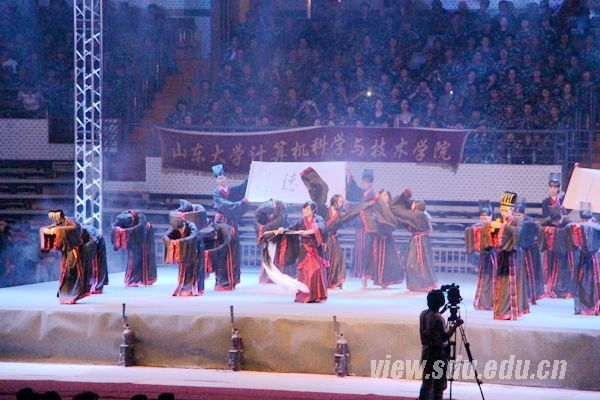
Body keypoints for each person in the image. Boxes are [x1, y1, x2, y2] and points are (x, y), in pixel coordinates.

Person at [377, 190, 438, 291]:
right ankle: (423, 284)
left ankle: (423, 284)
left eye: (412, 204)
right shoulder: (422, 214)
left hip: (419, 241)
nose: (411, 205)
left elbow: (396, 209)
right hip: (421, 240)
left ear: (417, 205)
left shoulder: (415, 215)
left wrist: (403, 196)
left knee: (417, 264)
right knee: (422, 263)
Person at [275, 201, 328, 303]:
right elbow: (291, 229)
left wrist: (308, 232)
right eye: (304, 209)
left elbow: (321, 227)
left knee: (315, 271)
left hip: (315, 250)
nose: (305, 211)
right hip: (304, 251)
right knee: (304, 273)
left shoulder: (318, 219)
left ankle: (315, 295)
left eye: (308, 209)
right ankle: (304, 295)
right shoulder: (301, 222)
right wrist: (283, 230)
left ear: (313, 210)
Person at [491, 192, 530, 320]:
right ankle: (502, 310)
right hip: (502, 255)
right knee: (502, 282)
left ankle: (510, 311)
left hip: (513, 255)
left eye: (506, 210)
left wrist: (503, 227)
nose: (503, 213)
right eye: (501, 210)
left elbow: (518, 235)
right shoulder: (500, 221)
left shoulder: (517, 221)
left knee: (511, 283)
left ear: (512, 210)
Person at [418, 289, 462, 400]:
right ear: (441, 302)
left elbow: (433, 319)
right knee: (438, 385)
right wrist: (456, 325)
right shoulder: (438, 318)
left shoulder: (423, 314)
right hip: (438, 355)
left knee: (427, 382)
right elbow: (445, 337)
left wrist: (442, 311)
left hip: (426, 353)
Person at [39, 210, 89, 304]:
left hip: (75, 250)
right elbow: (52, 227)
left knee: (72, 271)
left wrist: (58, 230)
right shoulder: (60, 223)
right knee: (65, 272)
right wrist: (48, 229)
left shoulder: (71, 222)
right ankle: (66, 295)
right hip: (67, 251)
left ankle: (72, 295)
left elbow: (74, 229)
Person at [163, 209, 205, 296]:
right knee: (183, 269)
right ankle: (182, 286)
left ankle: (195, 288)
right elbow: (166, 236)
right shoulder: (174, 226)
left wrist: (180, 241)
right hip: (184, 249)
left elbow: (194, 236)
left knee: (194, 269)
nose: (180, 231)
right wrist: (170, 241)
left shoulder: (191, 225)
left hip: (195, 248)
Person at [465, 201, 498, 310]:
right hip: (483, 257)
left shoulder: (496, 227)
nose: (483, 220)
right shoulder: (477, 227)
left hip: (494, 257)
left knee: (492, 280)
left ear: (491, 216)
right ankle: (483, 302)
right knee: (484, 280)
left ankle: (492, 302)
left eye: (485, 218)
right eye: (482, 218)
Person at [111, 210, 158, 287]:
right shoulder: (123, 217)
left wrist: (125, 231)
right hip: (133, 236)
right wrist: (119, 230)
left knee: (144, 256)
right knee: (133, 256)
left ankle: (144, 279)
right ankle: (133, 279)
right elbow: (114, 226)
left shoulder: (141, 217)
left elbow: (140, 227)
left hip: (145, 235)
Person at [346, 169, 377, 281]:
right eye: (363, 182)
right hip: (360, 224)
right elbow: (354, 188)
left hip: (367, 225)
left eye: (366, 182)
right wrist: (348, 174)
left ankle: (365, 272)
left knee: (366, 248)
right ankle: (358, 271)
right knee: (359, 247)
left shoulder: (372, 194)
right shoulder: (363, 193)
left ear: (371, 183)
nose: (364, 184)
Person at [541, 206, 577, 298]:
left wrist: (555, 231)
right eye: (555, 222)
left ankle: (564, 290)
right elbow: (541, 228)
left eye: (559, 221)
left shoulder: (569, 222)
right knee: (552, 269)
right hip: (554, 251)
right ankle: (555, 289)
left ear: (562, 216)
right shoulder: (548, 221)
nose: (557, 223)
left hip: (567, 251)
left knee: (564, 270)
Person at [255, 199, 295, 282]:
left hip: (280, 235)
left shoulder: (281, 206)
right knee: (268, 255)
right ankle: (268, 276)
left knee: (279, 256)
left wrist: (266, 228)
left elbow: (280, 220)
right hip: (270, 236)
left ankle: (278, 276)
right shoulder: (263, 208)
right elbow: (257, 220)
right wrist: (261, 227)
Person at [513, 199, 545, 303]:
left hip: (530, 251)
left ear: (523, 214)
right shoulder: (511, 222)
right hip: (518, 250)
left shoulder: (530, 223)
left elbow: (526, 240)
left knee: (530, 273)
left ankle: (531, 295)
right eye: (515, 215)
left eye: (519, 215)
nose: (517, 217)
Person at [569, 206, 600, 314]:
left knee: (594, 282)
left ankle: (593, 306)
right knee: (582, 282)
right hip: (583, 258)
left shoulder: (595, 225)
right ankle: (582, 307)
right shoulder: (577, 226)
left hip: (595, 258)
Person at [212, 164, 249, 229]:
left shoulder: (231, 190)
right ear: (216, 181)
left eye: (222, 178)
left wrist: (250, 174)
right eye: (219, 178)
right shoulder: (216, 192)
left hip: (232, 219)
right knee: (223, 234)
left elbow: (242, 188)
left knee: (234, 234)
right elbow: (224, 204)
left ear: (226, 178)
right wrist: (241, 202)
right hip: (221, 220)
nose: (221, 180)